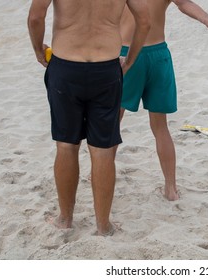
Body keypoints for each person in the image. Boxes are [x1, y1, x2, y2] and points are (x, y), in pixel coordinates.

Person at [27, 0, 150, 236]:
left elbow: (35, 17)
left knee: (66, 145)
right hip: (106, 68)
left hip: (66, 67)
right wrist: (130, 61)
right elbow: (144, 20)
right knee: (103, 149)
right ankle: (103, 226)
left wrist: (37, 50)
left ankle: (65, 219)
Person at [119, 0, 208, 201]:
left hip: (126, 55)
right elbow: (184, 3)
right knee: (160, 127)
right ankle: (171, 189)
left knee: (110, 124)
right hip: (158, 55)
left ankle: (101, 175)